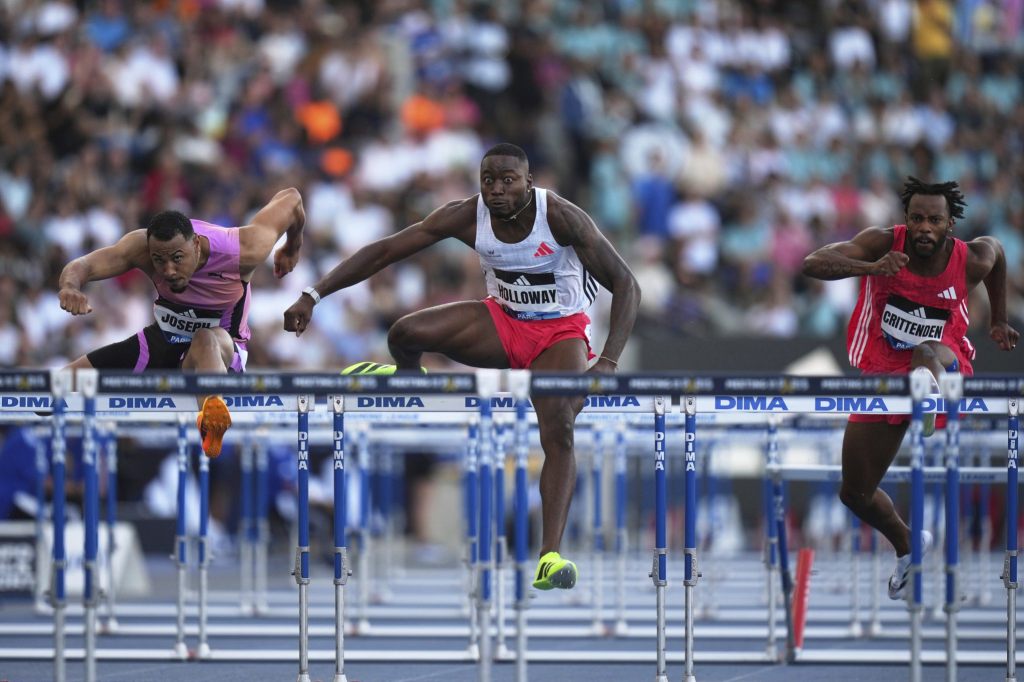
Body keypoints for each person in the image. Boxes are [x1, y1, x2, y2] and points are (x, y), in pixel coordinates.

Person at [283, 143, 640, 589]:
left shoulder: (562, 217)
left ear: (529, 182)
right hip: (503, 321)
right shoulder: (468, 215)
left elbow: (627, 284)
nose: (496, 189)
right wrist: (313, 294)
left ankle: (549, 556)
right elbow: (387, 251)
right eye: (487, 180)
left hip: (560, 333)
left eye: (508, 180)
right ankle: (413, 386)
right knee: (403, 335)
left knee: (559, 426)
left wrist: (607, 362)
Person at [802, 177, 1018, 599]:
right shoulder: (883, 243)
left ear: (949, 224)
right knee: (855, 493)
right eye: (917, 218)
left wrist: (998, 318)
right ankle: (907, 545)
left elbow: (998, 255)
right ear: (906, 219)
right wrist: (871, 269)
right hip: (884, 370)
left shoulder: (970, 258)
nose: (924, 227)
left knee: (927, 350)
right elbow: (813, 263)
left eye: (934, 220)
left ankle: (929, 397)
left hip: (946, 359)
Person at [57, 188, 306, 457]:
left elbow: (292, 199)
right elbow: (84, 264)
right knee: (55, 389)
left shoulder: (243, 249)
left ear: (196, 245)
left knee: (205, 337)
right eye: (158, 261)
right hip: (162, 341)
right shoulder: (140, 246)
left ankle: (212, 417)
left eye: (177, 259)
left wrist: (292, 247)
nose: (168, 271)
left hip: (220, 351)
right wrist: (70, 286)